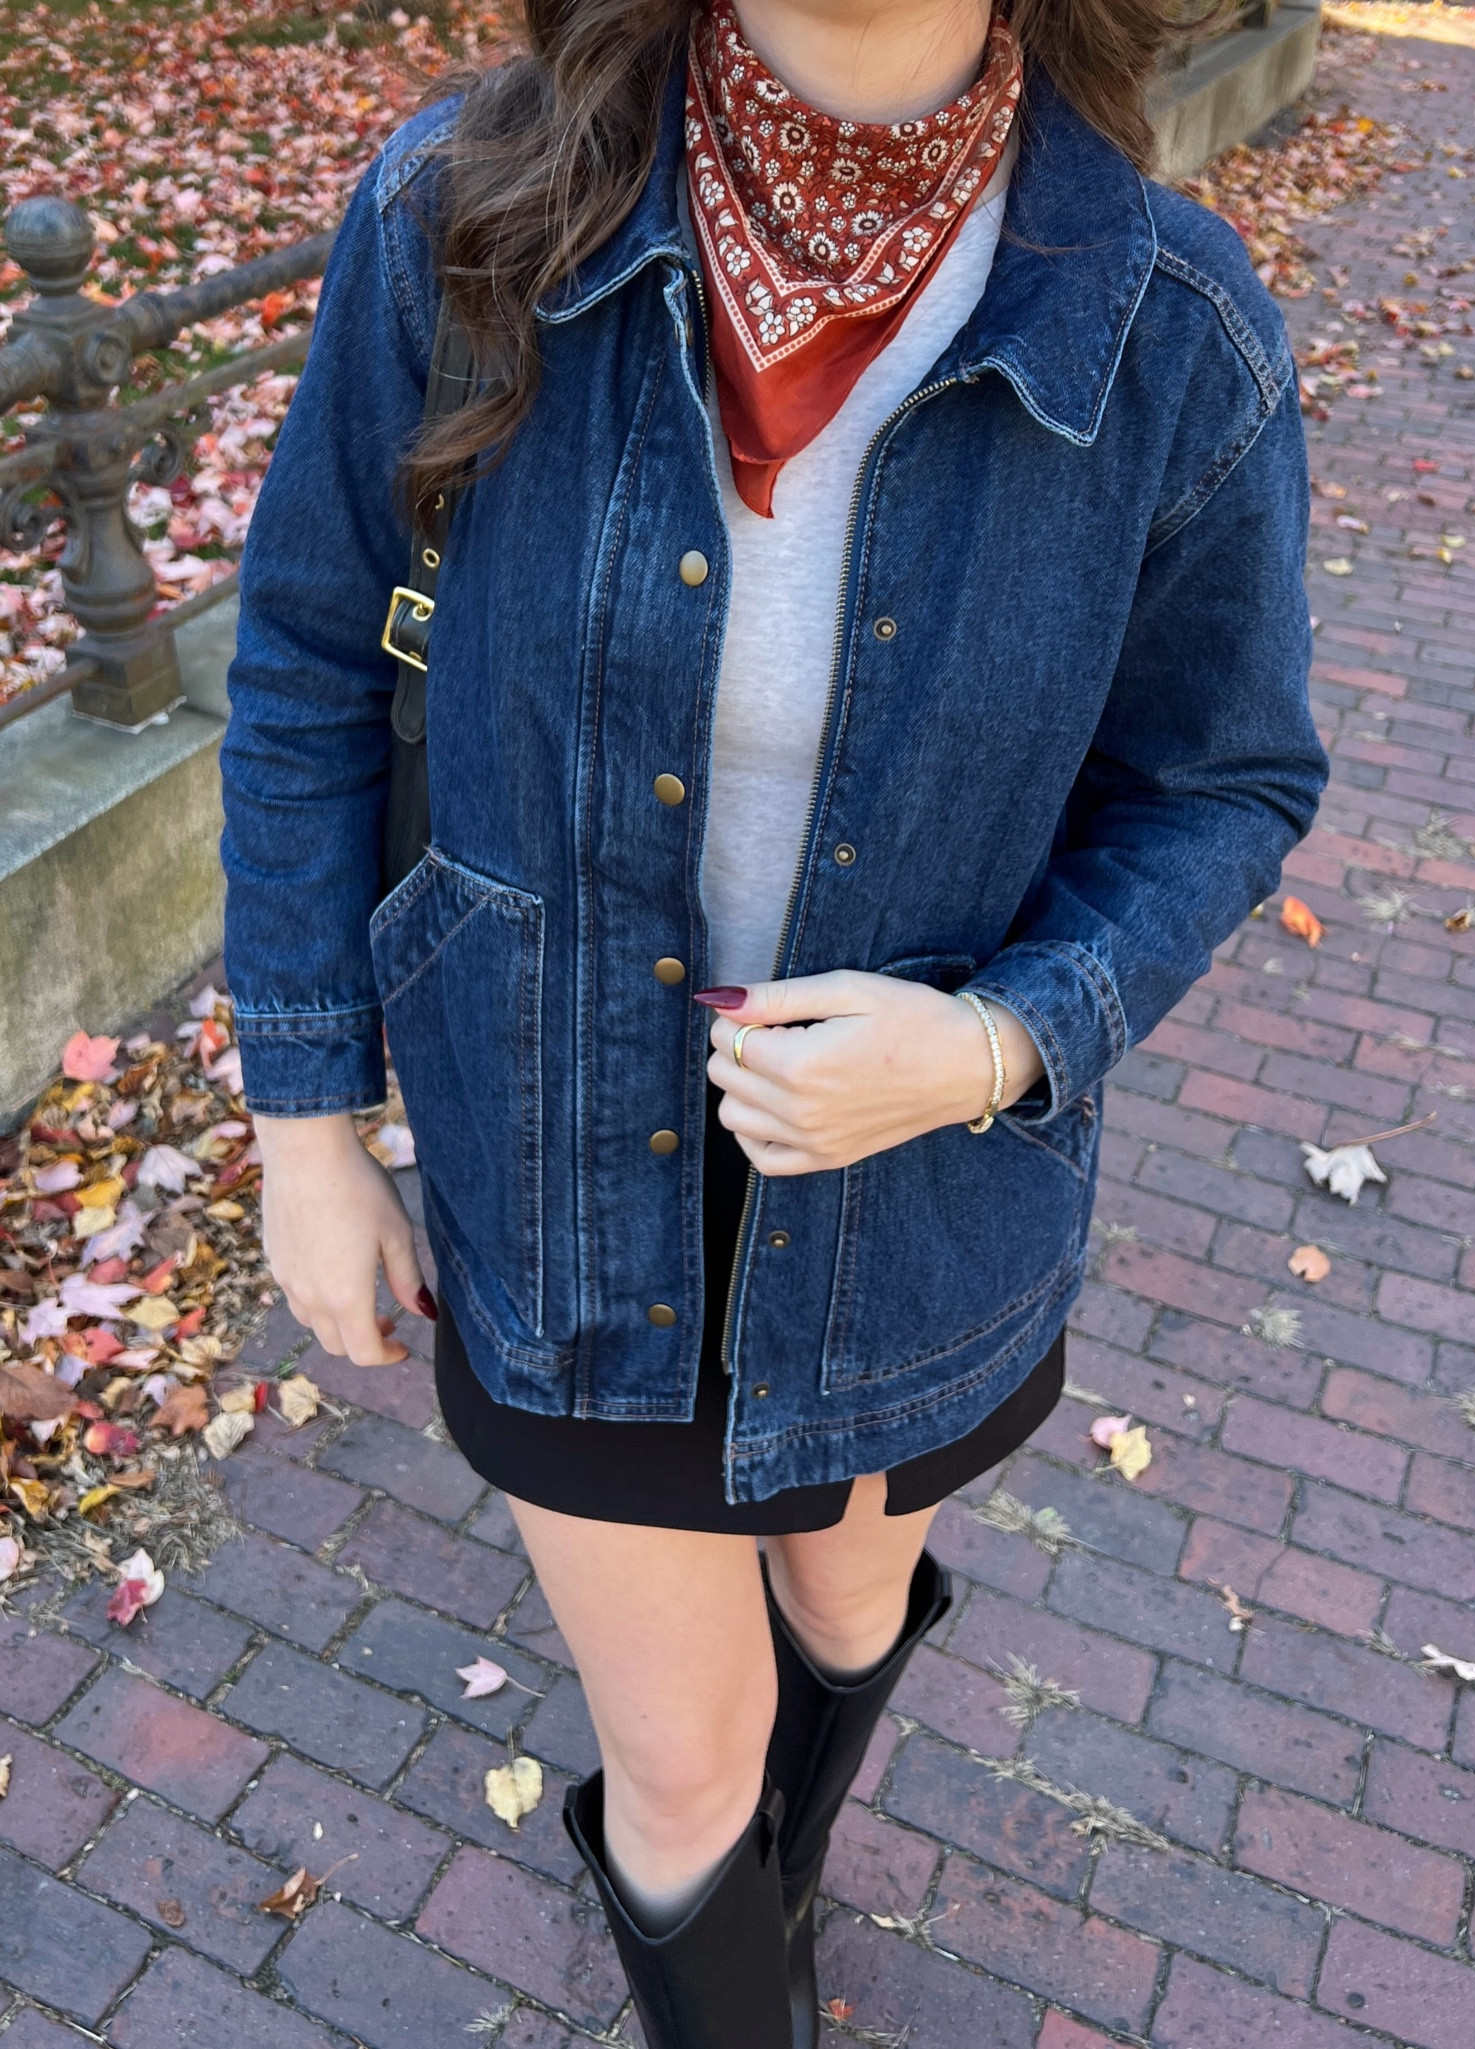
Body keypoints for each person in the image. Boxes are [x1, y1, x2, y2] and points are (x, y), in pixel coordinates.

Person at [220, 0, 1326, 2039]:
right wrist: (306, 1116)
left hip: (919, 1176)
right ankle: (735, 1943)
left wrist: (994, 1043)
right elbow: (304, 659)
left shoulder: (1165, 323)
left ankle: (781, 1888)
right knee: (685, 1754)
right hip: (550, 1147)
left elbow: (1222, 779)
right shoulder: (464, 213)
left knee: (842, 1592)